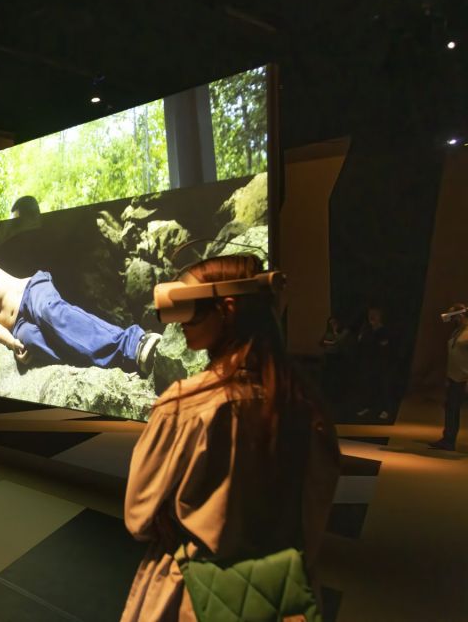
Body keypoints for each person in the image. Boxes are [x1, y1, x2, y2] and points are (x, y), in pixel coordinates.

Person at [122, 255, 340, 621]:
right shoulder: (307, 403)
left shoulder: (184, 405)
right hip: (280, 596)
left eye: (191, 309)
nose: (182, 323)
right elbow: (314, 514)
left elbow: (138, 517)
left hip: (193, 595)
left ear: (226, 309)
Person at [0, 252, 161, 373]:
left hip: (31, 291)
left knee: (49, 313)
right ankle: (119, 362)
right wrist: (13, 344)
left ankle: (133, 343)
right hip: (18, 325)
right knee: (31, 340)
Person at [429, 304, 468, 456]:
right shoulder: (458, 331)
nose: (451, 320)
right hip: (455, 379)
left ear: (460, 315)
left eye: (453, 316)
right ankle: (448, 440)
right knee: (451, 410)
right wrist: (449, 376)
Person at [355, 306, 392, 420]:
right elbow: (360, 341)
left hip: (380, 363)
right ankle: (366, 406)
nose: (372, 316)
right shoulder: (366, 329)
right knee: (367, 385)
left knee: (381, 386)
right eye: (370, 314)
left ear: (380, 316)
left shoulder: (383, 330)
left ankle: (385, 409)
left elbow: (384, 348)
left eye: (375, 314)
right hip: (367, 363)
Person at [318, 315, 350, 402]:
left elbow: (339, 342)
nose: (332, 325)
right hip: (328, 357)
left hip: (338, 357)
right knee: (327, 376)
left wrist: (335, 332)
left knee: (336, 377)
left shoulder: (343, 332)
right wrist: (328, 343)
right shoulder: (328, 333)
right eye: (330, 323)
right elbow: (321, 342)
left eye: (334, 323)